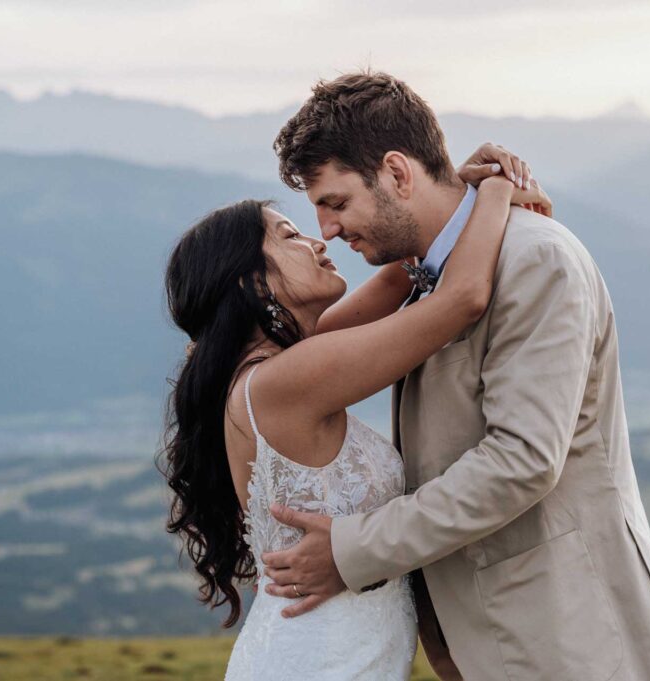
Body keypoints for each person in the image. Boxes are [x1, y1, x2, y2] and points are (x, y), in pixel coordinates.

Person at [260, 70, 650, 681]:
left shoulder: (535, 260)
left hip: (565, 642)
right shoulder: (428, 277)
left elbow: (522, 459)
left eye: (336, 202)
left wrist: (352, 550)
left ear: (397, 173)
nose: (327, 229)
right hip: (483, 640)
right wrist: (476, 191)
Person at [162, 135, 549, 677]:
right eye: (291, 235)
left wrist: (444, 189)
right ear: (254, 280)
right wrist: (496, 190)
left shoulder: (285, 364)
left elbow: (402, 273)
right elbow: (462, 298)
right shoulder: (288, 380)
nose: (321, 240)